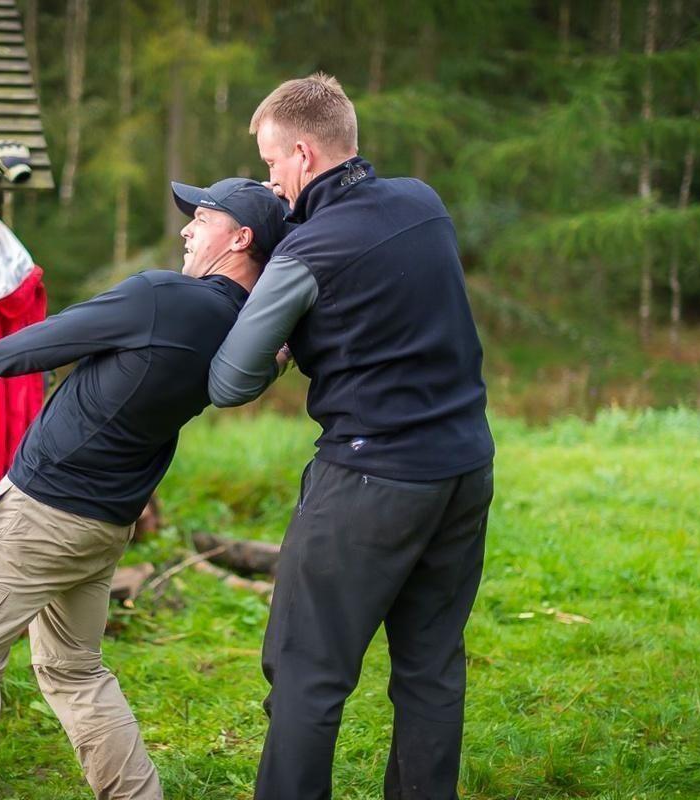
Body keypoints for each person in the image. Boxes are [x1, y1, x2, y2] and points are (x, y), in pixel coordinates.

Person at [0, 177, 287, 800]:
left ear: (240, 238)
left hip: (42, 510)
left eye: (203, 218)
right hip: (106, 524)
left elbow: (60, 334)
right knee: (74, 670)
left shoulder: (164, 297)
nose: (186, 229)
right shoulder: (245, 335)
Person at [208, 73, 496, 800]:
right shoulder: (423, 203)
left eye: (272, 163)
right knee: (431, 668)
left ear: (303, 155)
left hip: (369, 481)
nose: (271, 182)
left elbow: (230, 381)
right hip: (463, 466)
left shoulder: (307, 251)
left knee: (307, 672)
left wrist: (281, 340)